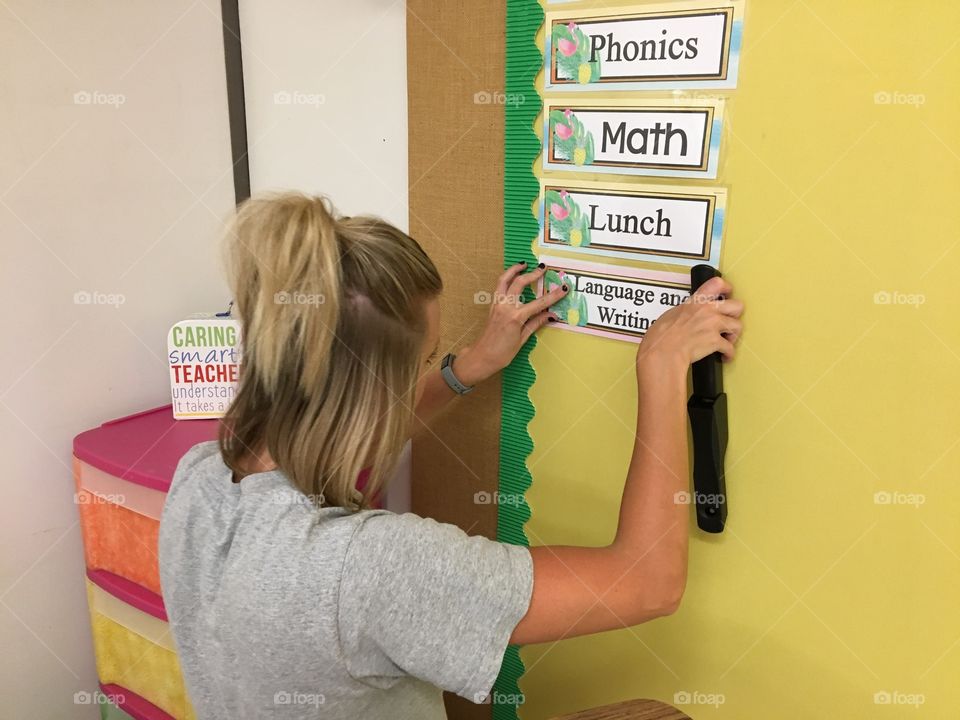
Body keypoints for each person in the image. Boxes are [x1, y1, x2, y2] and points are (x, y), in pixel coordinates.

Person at [158, 192, 743, 719]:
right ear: (370, 393)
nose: (424, 374)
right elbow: (647, 582)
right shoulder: (371, 566)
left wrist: (470, 366)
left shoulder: (199, 482)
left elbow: (344, 424)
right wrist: (661, 369)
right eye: (421, 361)